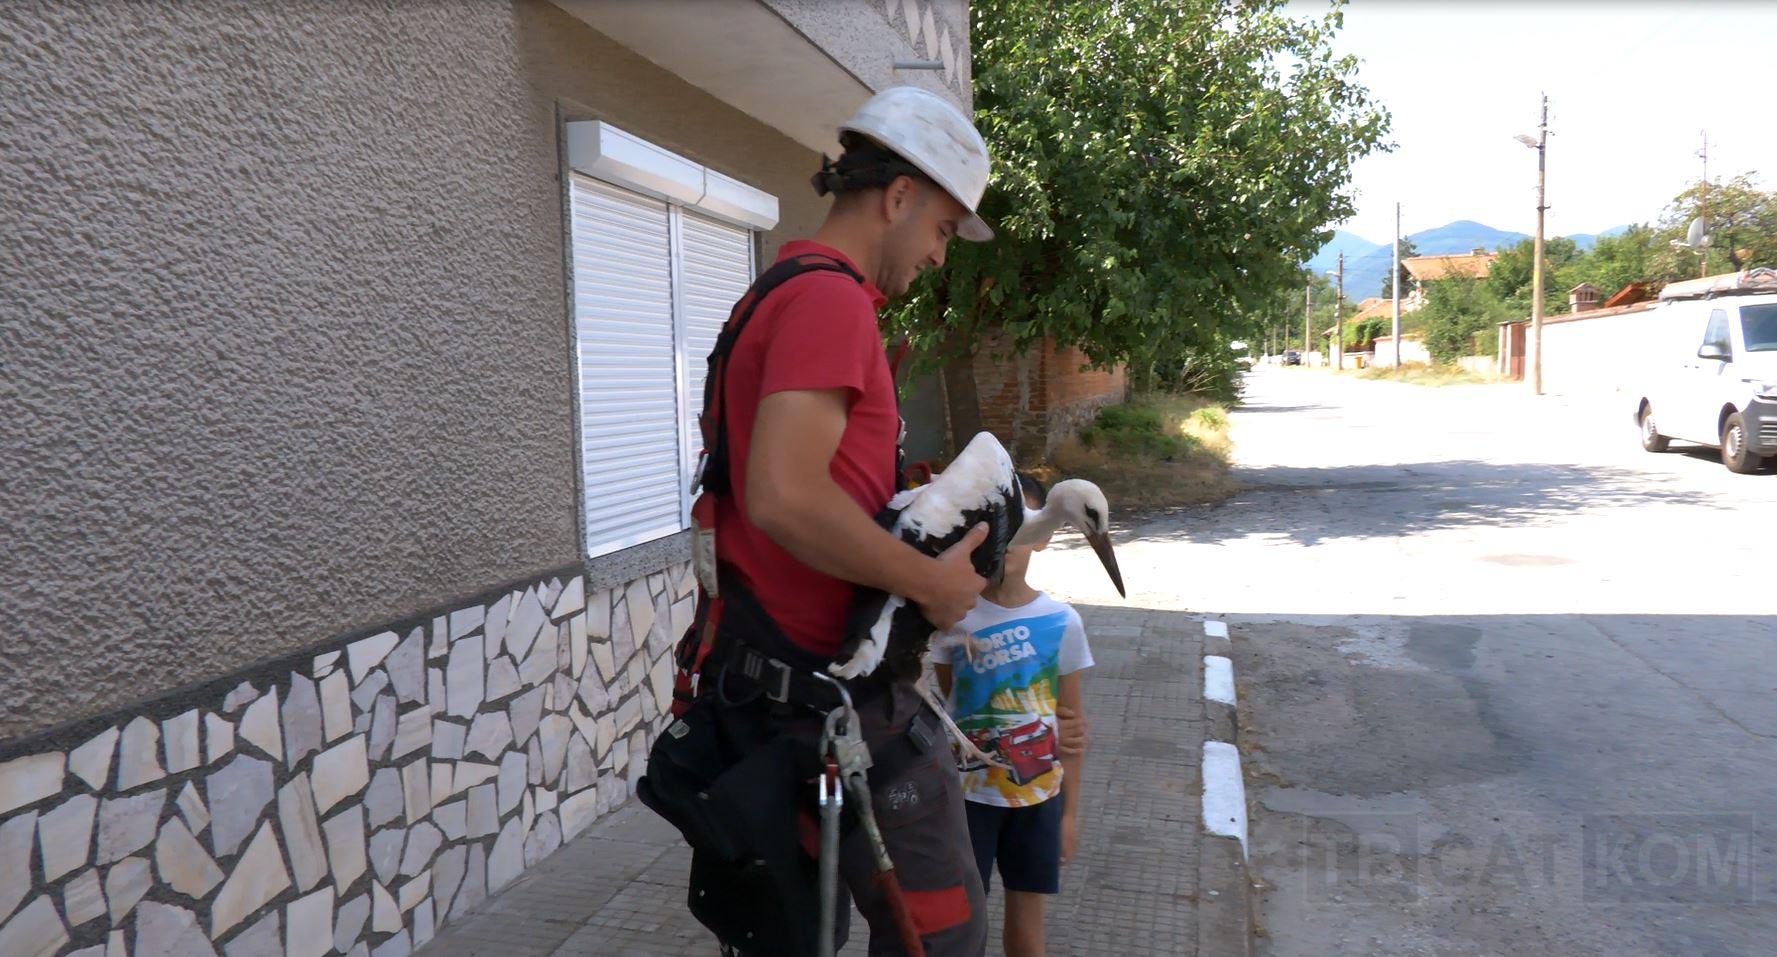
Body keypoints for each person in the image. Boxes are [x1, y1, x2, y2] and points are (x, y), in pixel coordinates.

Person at [644, 86, 995, 957]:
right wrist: (931, 583)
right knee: (944, 932)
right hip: (819, 702)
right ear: (899, 195)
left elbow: (793, 490)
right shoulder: (828, 303)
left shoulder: (778, 294)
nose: (939, 255)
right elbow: (785, 497)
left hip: (772, 695)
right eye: (942, 229)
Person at [932, 475, 1094, 957]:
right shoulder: (953, 616)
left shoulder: (1063, 622)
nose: (1004, 544)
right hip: (967, 801)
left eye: (1018, 528)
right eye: (993, 528)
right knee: (962, 927)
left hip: (1039, 800)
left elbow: (1071, 725)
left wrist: (1069, 815)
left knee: (1027, 932)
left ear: (1043, 537)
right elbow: (954, 701)